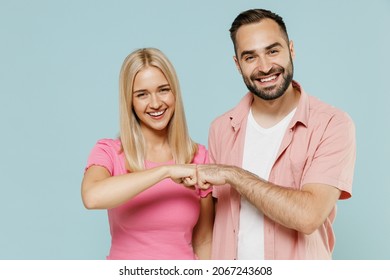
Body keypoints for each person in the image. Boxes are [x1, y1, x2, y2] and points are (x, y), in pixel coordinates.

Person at [196, 9, 356, 259]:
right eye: (250, 57)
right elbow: (212, 224)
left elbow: (308, 216)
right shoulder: (221, 129)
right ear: (238, 64)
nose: (265, 67)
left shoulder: (332, 124)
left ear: (291, 49)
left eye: (273, 51)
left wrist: (232, 174)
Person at [81, 48, 213, 260]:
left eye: (163, 90)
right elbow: (92, 197)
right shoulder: (110, 152)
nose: (155, 103)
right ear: (130, 101)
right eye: (142, 94)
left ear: (174, 92)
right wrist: (165, 171)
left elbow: (204, 240)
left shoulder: (198, 157)